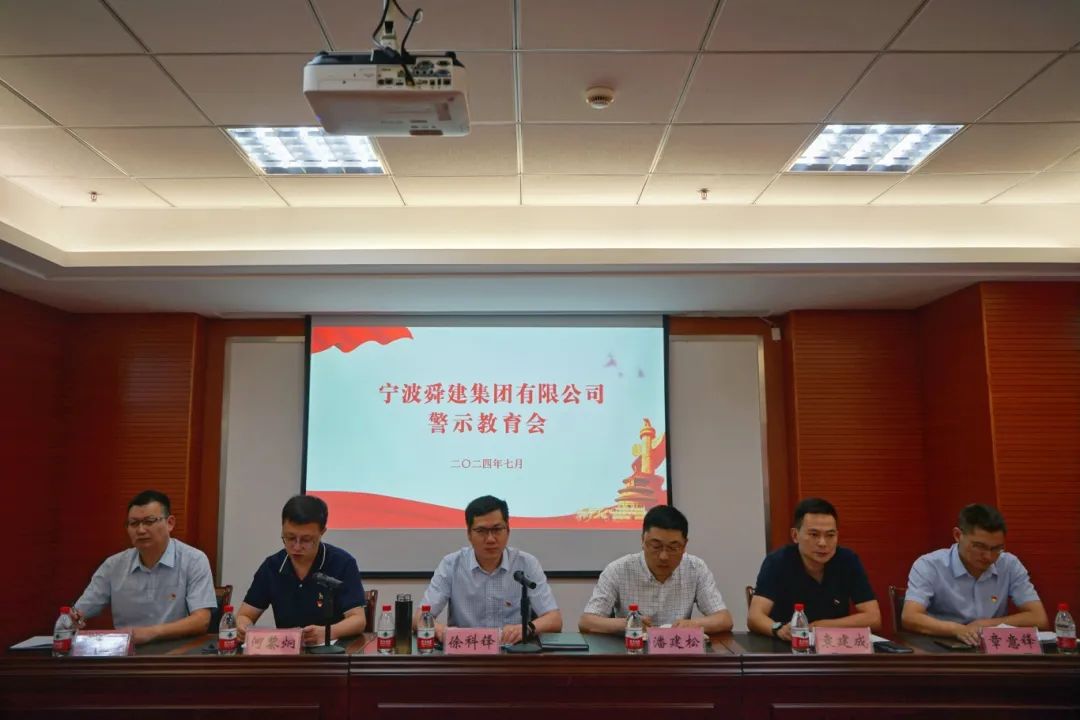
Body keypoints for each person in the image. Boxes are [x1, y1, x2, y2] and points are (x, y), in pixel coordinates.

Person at [71, 490, 217, 645]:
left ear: (170, 523)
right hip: (126, 651)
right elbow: (78, 612)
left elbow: (201, 620)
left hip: (177, 652)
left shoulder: (193, 560)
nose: (140, 530)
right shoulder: (113, 566)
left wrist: (149, 633)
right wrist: (72, 618)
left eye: (149, 521)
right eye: (134, 523)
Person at [417, 495, 562, 644]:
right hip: (466, 651)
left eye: (497, 529)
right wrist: (441, 630)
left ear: (508, 531)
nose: (491, 539)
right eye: (481, 531)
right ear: (469, 534)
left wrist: (528, 627)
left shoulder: (526, 564)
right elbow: (419, 617)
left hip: (514, 651)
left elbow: (554, 619)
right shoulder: (451, 564)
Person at [902, 503, 1048, 645]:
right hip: (943, 647)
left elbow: (1039, 618)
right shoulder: (930, 565)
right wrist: (956, 630)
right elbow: (910, 617)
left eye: (996, 548)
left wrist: (984, 625)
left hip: (992, 649)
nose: (988, 556)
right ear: (958, 535)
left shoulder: (1009, 565)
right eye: (979, 546)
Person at [578, 505, 732, 634]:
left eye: (673, 548)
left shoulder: (696, 568)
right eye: (656, 546)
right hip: (633, 651)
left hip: (677, 652)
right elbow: (586, 622)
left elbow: (724, 619)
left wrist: (694, 624)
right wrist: (629, 623)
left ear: (684, 545)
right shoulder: (618, 570)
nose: (664, 556)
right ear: (642, 541)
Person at [237, 494, 367, 645]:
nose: (297, 547)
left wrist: (326, 633)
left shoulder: (342, 563)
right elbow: (245, 615)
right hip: (287, 652)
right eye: (290, 538)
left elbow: (358, 620)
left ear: (322, 532)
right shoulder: (272, 566)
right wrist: (243, 627)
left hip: (332, 652)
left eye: (306, 540)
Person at [748, 497, 881, 640]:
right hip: (788, 645)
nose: (823, 543)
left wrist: (820, 626)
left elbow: (874, 619)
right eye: (814, 534)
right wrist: (779, 629)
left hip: (834, 645)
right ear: (795, 535)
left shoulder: (847, 560)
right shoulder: (778, 561)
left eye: (830, 535)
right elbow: (755, 617)